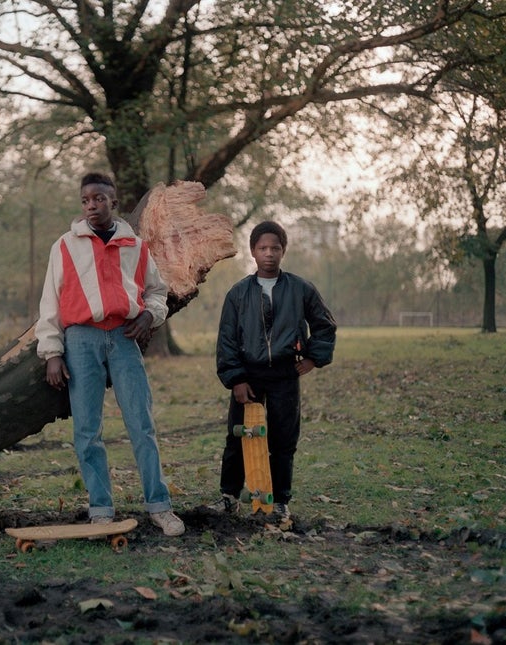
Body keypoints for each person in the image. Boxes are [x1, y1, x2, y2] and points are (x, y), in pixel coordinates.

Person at [35, 172, 185, 537]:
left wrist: (150, 315)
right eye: (85, 200)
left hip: (123, 338)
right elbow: (50, 303)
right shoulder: (65, 246)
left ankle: (159, 506)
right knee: (87, 429)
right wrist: (52, 352)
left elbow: (156, 291)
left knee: (141, 423)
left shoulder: (134, 244)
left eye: (99, 199)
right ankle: (101, 509)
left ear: (113, 202)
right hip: (80, 341)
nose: (91, 206)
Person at [213, 221, 336, 520]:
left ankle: (280, 500)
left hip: (284, 375)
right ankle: (229, 496)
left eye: (275, 248)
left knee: (283, 438)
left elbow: (324, 325)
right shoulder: (238, 293)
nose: (269, 254)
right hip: (249, 376)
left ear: (284, 251)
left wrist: (312, 359)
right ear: (253, 251)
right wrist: (236, 379)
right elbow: (227, 339)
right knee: (239, 435)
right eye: (263, 248)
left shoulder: (301, 289)